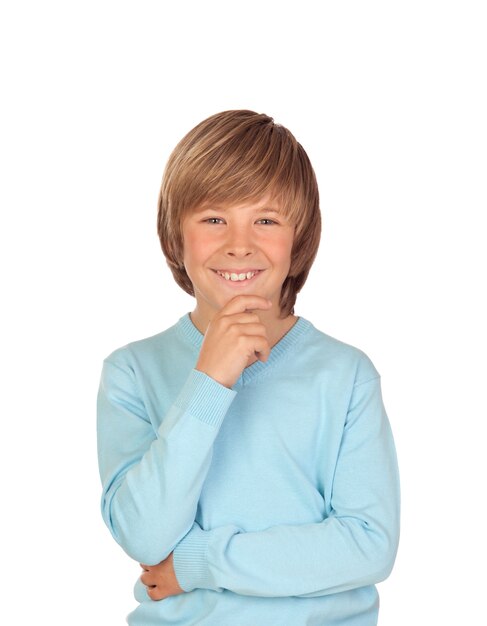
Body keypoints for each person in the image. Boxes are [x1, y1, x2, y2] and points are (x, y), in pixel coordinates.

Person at [97, 109, 400, 626]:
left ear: (298, 237)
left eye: (266, 219)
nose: (240, 243)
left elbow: (368, 545)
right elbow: (145, 536)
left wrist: (198, 564)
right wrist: (208, 382)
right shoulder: (132, 371)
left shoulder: (345, 375)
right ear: (177, 236)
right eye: (214, 219)